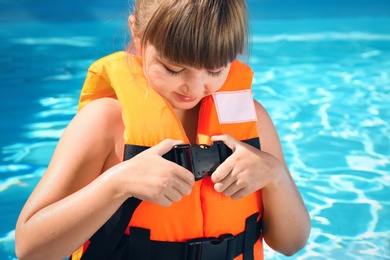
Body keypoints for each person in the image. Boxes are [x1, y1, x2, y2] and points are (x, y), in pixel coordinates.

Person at [15, 0, 311, 259]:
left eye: (215, 70)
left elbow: (291, 244)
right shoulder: (105, 123)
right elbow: (30, 250)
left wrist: (274, 175)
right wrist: (117, 184)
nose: (194, 88)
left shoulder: (254, 120)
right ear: (137, 34)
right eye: (173, 68)